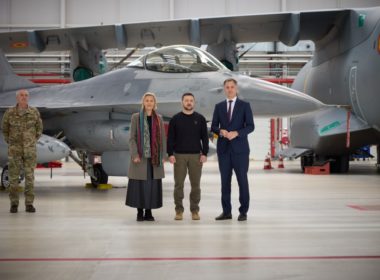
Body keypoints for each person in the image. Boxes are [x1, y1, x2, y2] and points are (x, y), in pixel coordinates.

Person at [211, 78, 254, 221]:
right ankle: (226, 212)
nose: (229, 89)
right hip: (223, 150)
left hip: (240, 150)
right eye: (227, 87)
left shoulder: (244, 106)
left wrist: (237, 133)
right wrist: (221, 131)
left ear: (236, 89)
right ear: (224, 89)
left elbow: (250, 126)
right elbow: (213, 127)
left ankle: (243, 211)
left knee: (242, 181)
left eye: (232, 87)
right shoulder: (219, 106)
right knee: (225, 182)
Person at [167, 93, 209, 221]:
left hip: (196, 156)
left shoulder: (200, 119)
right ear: (182, 102)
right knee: (178, 185)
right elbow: (170, 139)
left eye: (191, 100)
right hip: (179, 156)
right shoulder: (175, 119)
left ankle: (194, 211)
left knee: (195, 185)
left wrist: (205, 153)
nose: (189, 103)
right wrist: (170, 154)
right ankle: (179, 211)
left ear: (194, 103)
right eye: (186, 100)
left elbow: (205, 138)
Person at [126, 92, 167, 222]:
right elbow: (132, 138)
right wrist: (134, 154)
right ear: (143, 102)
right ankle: (139, 212)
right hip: (140, 157)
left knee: (152, 185)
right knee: (139, 185)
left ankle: (148, 212)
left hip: (155, 157)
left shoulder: (159, 118)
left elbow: (162, 138)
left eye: (151, 101)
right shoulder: (136, 117)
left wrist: (163, 155)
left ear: (155, 104)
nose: (149, 103)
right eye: (147, 100)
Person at [1, 89, 43, 213]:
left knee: (30, 177)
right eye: (21, 95)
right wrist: (12, 142)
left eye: (26, 95)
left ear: (28, 97)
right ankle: (14, 204)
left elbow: (39, 129)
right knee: (13, 178)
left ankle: (29, 204)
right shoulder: (9, 113)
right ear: (17, 98)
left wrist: (31, 141)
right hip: (15, 150)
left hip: (30, 150)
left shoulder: (34, 112)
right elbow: (5, 130)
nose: (24, 97)